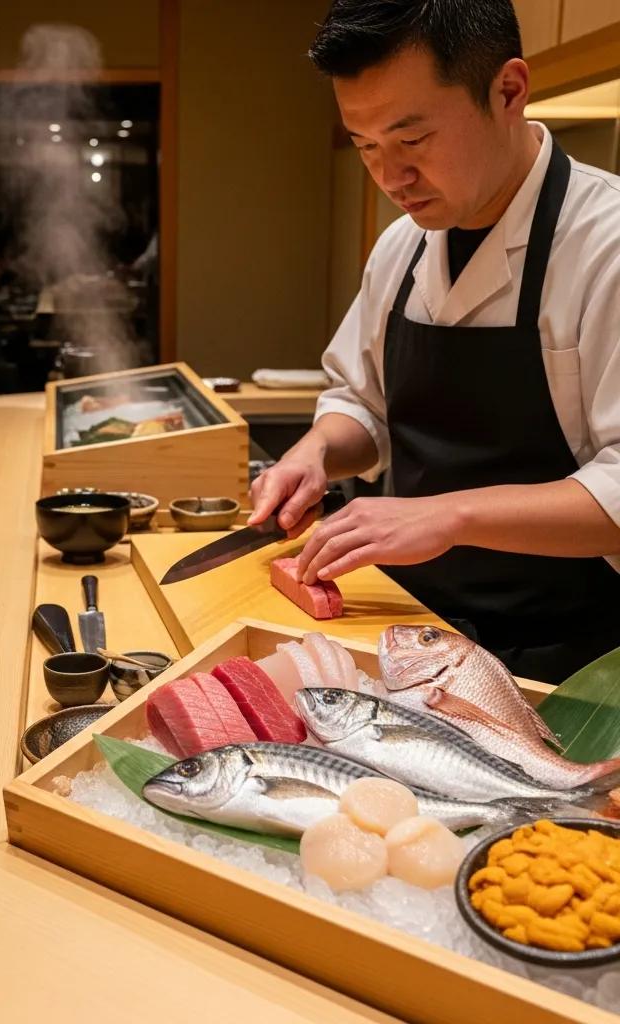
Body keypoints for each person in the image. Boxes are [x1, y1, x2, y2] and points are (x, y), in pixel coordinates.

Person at [249, 0, 620, 684]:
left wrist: (448, 517)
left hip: (568, 665)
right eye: (366, 147)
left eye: (412, 141)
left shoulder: (606, 246)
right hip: (408, 631)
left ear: (508, 91)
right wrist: (317, 451)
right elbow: (362, 403)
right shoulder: (402, 248)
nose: (391, 179)